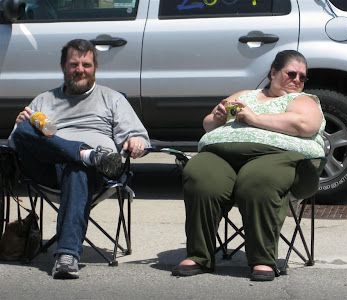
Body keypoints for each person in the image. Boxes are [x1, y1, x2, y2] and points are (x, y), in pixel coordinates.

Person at [171, 50, 325, 281]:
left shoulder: (301, 100)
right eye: (291, 73)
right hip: (221, 153)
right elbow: (208, 123)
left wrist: (255, 120)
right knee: (200, 176)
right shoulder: (246, 95)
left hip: (276, 156)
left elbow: (305, 124)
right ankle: (199, 255)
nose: (297, 80)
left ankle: (263, 259)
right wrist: (218, 117)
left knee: (258, 180)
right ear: (273, 72)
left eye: (302, 77)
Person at [8, 39, 150, 280]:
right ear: (63, 67)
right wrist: (21, 123)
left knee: (77, 170)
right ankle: (86, 155)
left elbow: (139, 138)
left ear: (95, 68)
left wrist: (136, 142)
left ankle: (67, 254)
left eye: (86, 64)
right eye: (74, 64)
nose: (80, 70)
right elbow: (16, 142)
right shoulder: (44, 100)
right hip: (50, 169)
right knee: (24, 129)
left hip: (98, 173)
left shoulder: (112, 99)